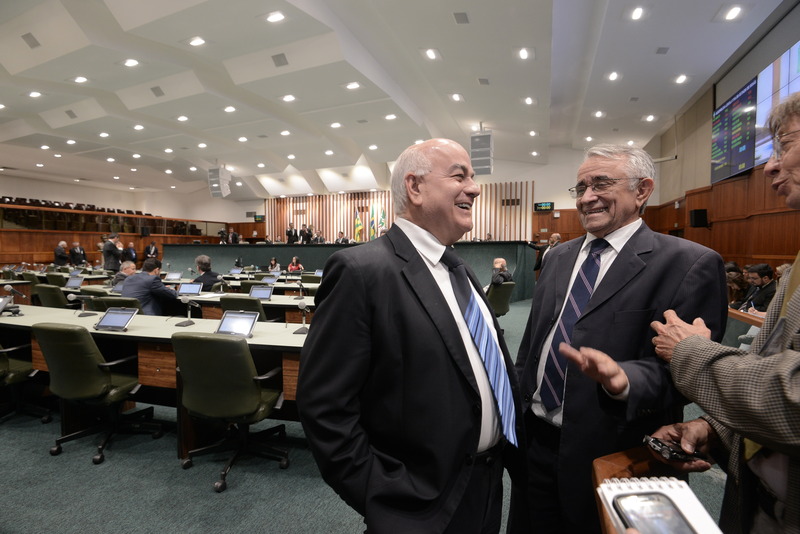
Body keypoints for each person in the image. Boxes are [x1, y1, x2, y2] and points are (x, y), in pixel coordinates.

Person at [297, 138, 524, 533]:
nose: (474, 188)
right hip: (416, 508)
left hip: (486, 488)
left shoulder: (461, 270)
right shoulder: (360, 271)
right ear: (415, 187)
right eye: (459, 176)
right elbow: (324, 407)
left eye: (472, 177)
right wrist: (381, 497)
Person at [508, 144, 728, 534]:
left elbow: (693, 374)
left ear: (642, 190)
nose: (586, 197)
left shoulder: (690, 263)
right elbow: (532, 346)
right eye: (581, 188)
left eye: (601, 184)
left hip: (616, 450)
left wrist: (625, 380)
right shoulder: (557, 257)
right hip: (535, 443)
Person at [649, 92, 800, 534]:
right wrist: (714, 429)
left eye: (784, 146)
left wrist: (691, 352)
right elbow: (772, 369)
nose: (769, 167)